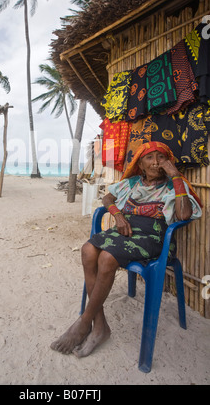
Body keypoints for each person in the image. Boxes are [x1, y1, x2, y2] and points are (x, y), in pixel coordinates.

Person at [51, 141, 202, 358]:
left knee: (107, 258)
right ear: (140, 163)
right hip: (126, 230)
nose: (156, 162)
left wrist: (176, 176)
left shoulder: (173, 185)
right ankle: (100, 326)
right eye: (149, 157)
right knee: (87, 250)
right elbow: (107, 198)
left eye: (161, 157)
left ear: (168, 161)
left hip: (154, 237)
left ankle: (84, 323)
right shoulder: (131, 183)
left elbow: (185, 214)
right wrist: (117, 214)